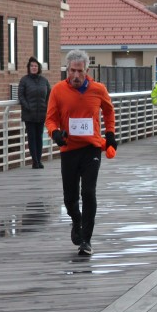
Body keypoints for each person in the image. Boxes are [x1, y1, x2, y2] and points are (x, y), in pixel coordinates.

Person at [45, 49, 116, 257]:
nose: (76, 75)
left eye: (80, 71)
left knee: (88, 192)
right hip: (69, 149)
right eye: (72, 71)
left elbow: (109, 111)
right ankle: (76, 220)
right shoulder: (58, 90)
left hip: (91, 148)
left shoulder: (98, 89)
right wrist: (55, 133)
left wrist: (110, 134)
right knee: (70, 198)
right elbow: (50, 119)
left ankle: (86, 240)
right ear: (67, 70)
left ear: (87, 71)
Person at [19, 56, 51, 169]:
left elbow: (49, 95)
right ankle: (35, 161)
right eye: (32, 66)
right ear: (29, 67)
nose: (34, 68)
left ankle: (39, 159)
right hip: (29, 114)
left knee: (39, 137)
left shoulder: (44, 81)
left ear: (39, 68)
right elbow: (21, 96)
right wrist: (27, 106)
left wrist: (46, 107)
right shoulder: (24, 80)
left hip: (41, 113)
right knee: (32, 137)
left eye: (36, 66)